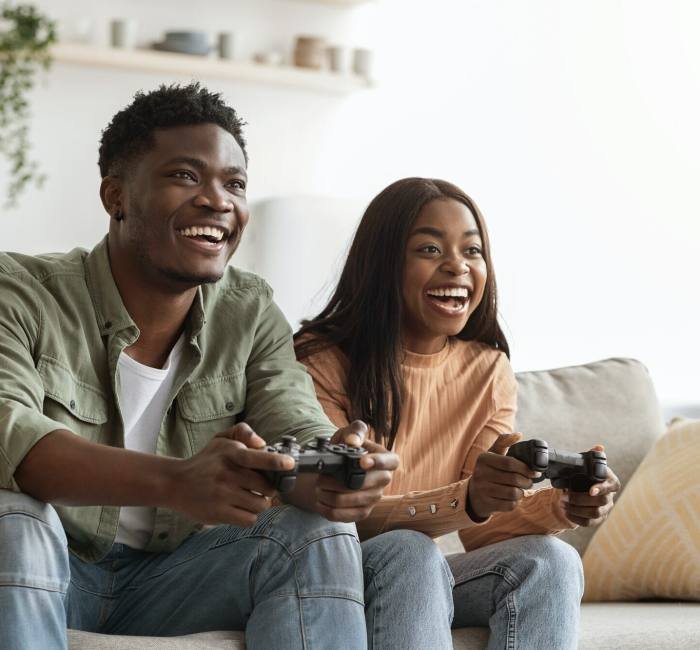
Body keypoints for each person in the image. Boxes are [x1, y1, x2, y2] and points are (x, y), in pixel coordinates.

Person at [0, 87, 455, 650]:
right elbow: (13, 441)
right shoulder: (20, 293)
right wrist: (176, 481)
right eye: (185, 177)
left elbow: (295, 423)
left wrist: (335, 472)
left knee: (314, 533)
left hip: (175, 581)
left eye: (234, 184)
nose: (217, 201)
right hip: (51, 565)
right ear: (115, 195)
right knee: (12, 519)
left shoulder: (250, 309)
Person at [295, 177, 622, 649]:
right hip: (333, 572)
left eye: (472, 251)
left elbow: (479, 527)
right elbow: (332, 513)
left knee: (551, 561)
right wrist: (466, 500)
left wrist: (563, 505)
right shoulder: (320, 361)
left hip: (420, 575)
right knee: (410, 552)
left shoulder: (487, 370)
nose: (457, 266)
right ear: (383, 263)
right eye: (429, 249)